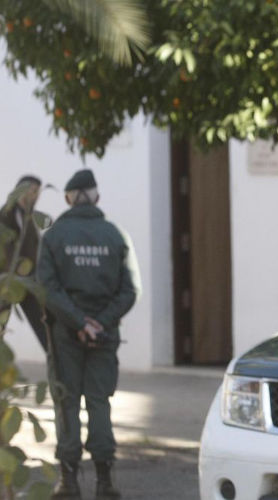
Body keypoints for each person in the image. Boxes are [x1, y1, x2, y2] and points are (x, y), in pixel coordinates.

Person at [37, 169, 140, 500]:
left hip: (64, 336)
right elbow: (131, 290)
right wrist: (99, 323)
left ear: (68, 198)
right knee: (99, 402)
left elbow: (47, 288)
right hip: (104, 336)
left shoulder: (53, 237)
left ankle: (68, 482)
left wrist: (78, 322)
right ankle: (104, 482)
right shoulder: (116, 235)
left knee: (66, 402)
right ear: (97, 197)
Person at [0, 175, 49, 350]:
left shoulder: (30, 219)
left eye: (38, 192)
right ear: (20, 190)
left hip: (27, 282)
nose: (36, 195)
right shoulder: (5, 215)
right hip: (6, 282)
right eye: (33, 191)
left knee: (45, 327)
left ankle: (54, 359)